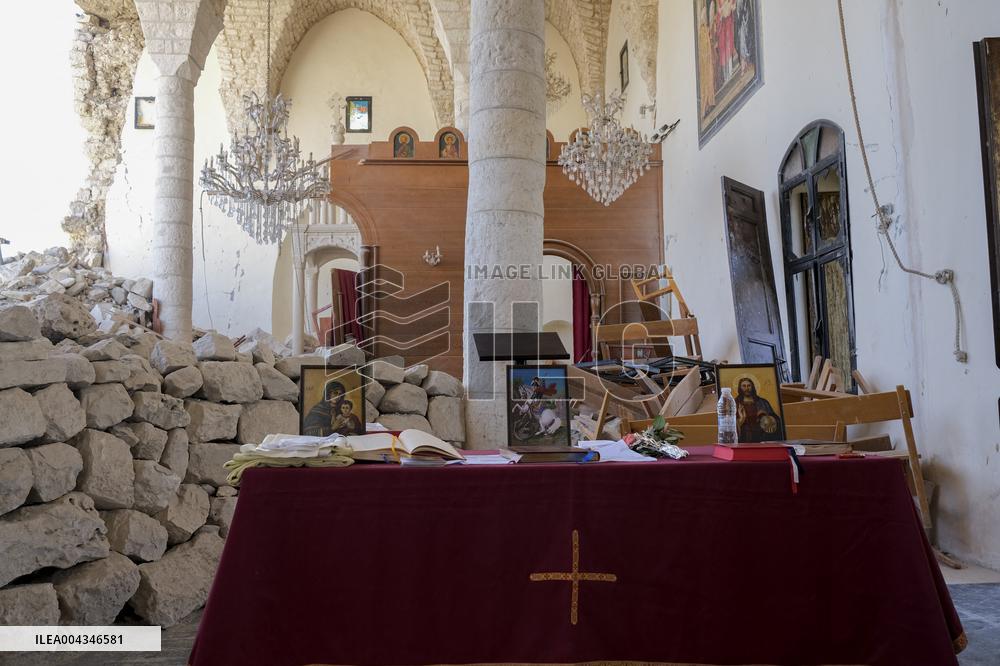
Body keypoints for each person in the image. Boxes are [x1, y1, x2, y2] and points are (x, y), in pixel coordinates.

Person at [734, 376, 781, 442]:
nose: (746, 388)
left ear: (752, 387)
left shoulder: (762, 402)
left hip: (762, 438)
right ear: (740, 388)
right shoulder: (734, 403)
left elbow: (777, 420)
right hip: (744, 439)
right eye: (744, 386)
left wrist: (767, 418)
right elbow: (728, 425)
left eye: (749, 386)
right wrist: (741, 420)